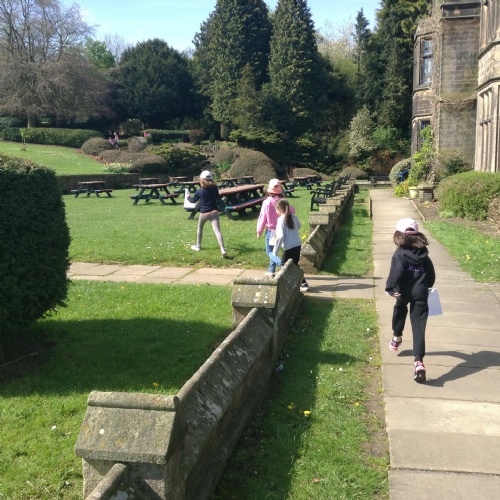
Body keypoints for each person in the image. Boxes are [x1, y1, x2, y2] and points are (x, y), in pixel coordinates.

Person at [385, 217, 436, 383]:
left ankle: (396, 337)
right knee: (419, 325)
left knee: (400, 309)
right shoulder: (424, 254)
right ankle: (418, 362)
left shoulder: (399, 254)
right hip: (420, 293)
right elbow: (431, 274)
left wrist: (391, 288)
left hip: (402, 292)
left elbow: (396, 272)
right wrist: (428, 285)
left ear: (399, 235)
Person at [271, 198, 309, 292]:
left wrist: (275, 251)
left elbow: (280, 236)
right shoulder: (293, 217)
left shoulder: (281, 220)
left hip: (289, 247)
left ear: (280, 209)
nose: (275, 211)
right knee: (295, 265)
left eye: (276, 209)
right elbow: (299, 226)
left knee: (284, 266)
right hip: (297, 244)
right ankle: (302, 283)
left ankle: (292, 284)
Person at [187, 170, 227, 258]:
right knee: (217, 230)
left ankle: (198, 246)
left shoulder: (200, 191)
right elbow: (217, 197)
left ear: (201, 180)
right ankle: (222, 249)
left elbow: (192, 201)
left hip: (204, 213)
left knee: (200, 227)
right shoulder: (215, 188)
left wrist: (188, 197)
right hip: (214, 212)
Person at [256, 179, 291, 277]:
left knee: (269, 251)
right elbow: (292, 211)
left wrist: (259, 230)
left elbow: (263, 217)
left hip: (271, 230)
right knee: (274, 250)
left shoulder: (267, 202)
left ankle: (282, 264)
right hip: (283, 228)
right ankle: (271, 271)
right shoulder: (283, 201)